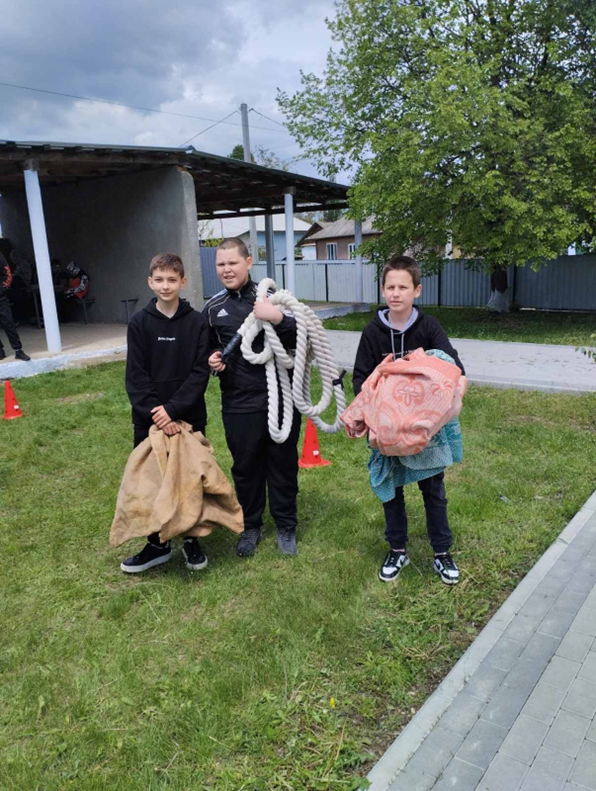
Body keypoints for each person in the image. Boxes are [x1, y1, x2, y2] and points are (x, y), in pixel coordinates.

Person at [352, 255, 465, 585]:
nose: (395, 293)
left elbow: (452, 366)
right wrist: (377, 410)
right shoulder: (372, 331)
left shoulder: (428, 327)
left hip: (424, 431)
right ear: (382, 290)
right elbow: (360, 378)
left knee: (434, 490)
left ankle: (441, 551)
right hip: (387, 430)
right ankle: (397, 548)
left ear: (417, 290)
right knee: (392, 490)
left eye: (403, 287)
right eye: (390, 287)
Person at [203, 237, 301, 557]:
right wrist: (211, 358)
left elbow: (301, 340)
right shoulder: (213, 309)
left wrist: (276, 317)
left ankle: (286, 526)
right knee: (245, 467)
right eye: (221, 264)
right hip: (239, 401)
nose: (227, 269)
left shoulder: (274, 299)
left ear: (248, 262)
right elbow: (205, 348)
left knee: (282, 464)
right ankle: (251, 526)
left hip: (280, 397)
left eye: (233, 262)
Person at [121, 252, 210, 573]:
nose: (165, 285)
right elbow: (136, 375)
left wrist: (173, 410)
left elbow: (200, 373)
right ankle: (157, 543)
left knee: (189, 480)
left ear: (183, 282)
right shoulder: (139, 323)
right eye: (159, 279)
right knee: (153, 482)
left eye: (172, 279)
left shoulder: (197, 322)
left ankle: (191, 539)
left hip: (188, 417)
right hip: (149, 422)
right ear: (150, 282)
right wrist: (157, 414)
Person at [0, 252, 31, 361]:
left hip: (1, 298)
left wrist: (1, 290)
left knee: (9, 323)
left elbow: (7, 274)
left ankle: (18, 350)